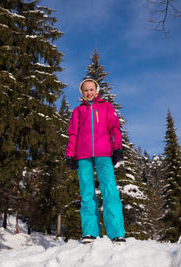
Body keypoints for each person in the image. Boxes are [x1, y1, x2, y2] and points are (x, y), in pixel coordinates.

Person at [65, 78, 126, 244]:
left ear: (96, 90)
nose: (89, 93)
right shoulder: (78, 111)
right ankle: (90, 232)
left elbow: (114, 127)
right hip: (82, 155)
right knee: (86, 192)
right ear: (82, 93)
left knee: (109, 190)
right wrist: (70, 154)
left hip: (104, 153)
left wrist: (117, 148)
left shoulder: (106, 106)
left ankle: (116, 233)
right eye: (85, 90)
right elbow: (73, 135)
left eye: (91, 89)